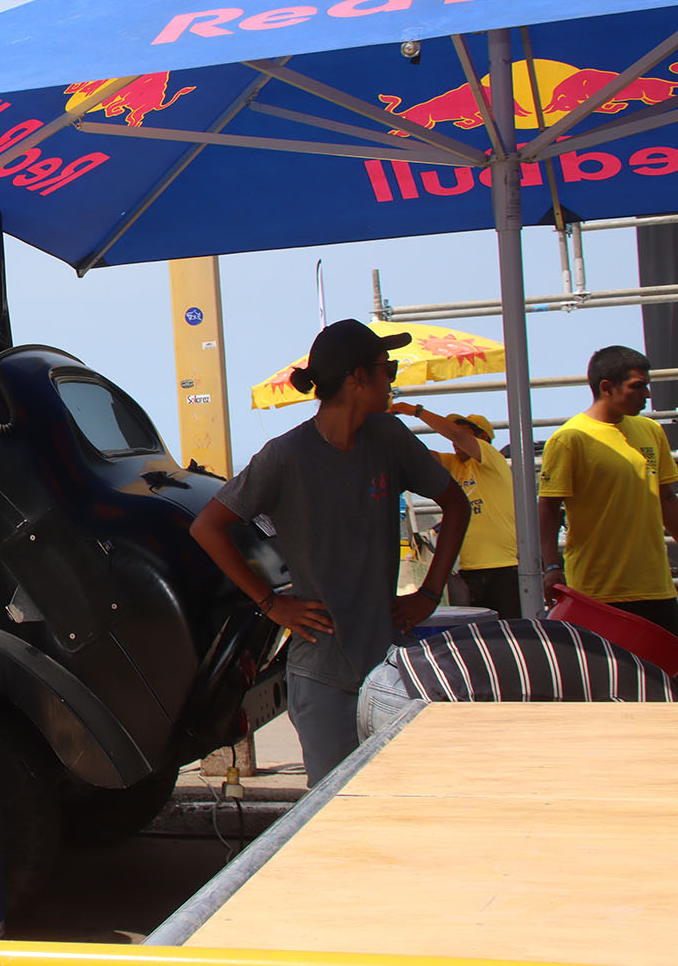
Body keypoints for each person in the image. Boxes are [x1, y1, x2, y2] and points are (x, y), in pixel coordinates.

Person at [191, 319, 470, 786]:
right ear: (358, 377)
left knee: (403, 801)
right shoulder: (286, 456)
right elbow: (207, 527)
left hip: (391, 667)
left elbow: (455, 505)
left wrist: (429, 593)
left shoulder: (389, 437)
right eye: (388, 369)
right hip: (323, 675)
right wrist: (271, 604)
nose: (392, 379)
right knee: (334, 810)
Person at [538, 345, 678, 637]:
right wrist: (552, 565)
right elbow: (549, 507)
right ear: (606, 387)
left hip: (657, 588)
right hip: (598, 592)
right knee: (608, 669)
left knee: (670, 666)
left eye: (647, 385)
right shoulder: (570, 438)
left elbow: (667, 499)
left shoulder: (651, 431)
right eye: (637, 386)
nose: (647, 394)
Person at [391, 407, 520, 619]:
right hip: (470, 570)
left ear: (482, 437)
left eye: (463, 434)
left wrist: (415, 411)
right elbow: (421, 455)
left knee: (510, 630)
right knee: (477, 633)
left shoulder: (490, 457)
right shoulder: (455, 464)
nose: (453, 441)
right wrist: (390, 427)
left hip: (506, 567)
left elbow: (456, 435)